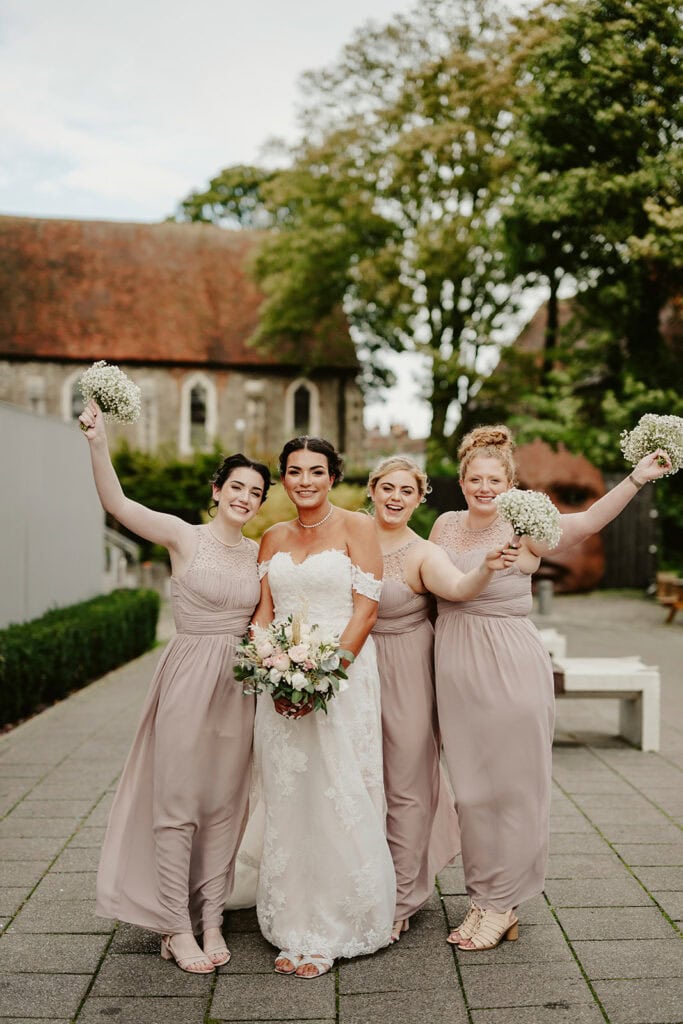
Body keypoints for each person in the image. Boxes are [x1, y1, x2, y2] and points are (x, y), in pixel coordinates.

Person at [430, 425, 673, 952]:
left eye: (494, 478)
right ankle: (482, 896)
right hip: (454, 666)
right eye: (475, 478)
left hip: (509, 663)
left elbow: (585, 522)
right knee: (471, 793)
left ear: (510, 481)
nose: (484, 486)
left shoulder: (526, 522)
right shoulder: (445, 525)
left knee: (511, 787)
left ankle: (504, 902)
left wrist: (635, 478)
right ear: (462, 479)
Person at [79, 398, 271, 974]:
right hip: (188, 677)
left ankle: (211, 915)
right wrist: (97, 439)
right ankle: (174, 923)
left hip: (239, 685)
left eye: (256, 493)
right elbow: (116, 503)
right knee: (178, 801)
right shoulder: (182, 537)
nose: (245, 498)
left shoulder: (261, 554)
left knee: (224, 803)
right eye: (236, 487)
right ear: (217, 490)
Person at [252, 436, 396, 979]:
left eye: (316, 471)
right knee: (291, 793)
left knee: (340, 788)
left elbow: (366, 609)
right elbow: (264, 611)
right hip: (280, 681)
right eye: (294, 471)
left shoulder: (359, 527)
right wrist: (269, 664)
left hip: (344, 676)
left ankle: (342, 922)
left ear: (333, 476)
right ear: (283, 479)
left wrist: (323, 676)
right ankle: (293, 921)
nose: (305, 481)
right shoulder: (270, 537)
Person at [367, 456, 519, 942]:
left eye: (406, 491)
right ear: (371, 489)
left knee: (408, 785)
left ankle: (402, 898)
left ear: (420, 498)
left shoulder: (424, 548)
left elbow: (457, 587)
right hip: (350, 670)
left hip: (409, 665)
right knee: (357, 782)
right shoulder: (347, 537)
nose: (395, 497)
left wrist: (487, 569)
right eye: (386, 487)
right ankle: (356, 883)